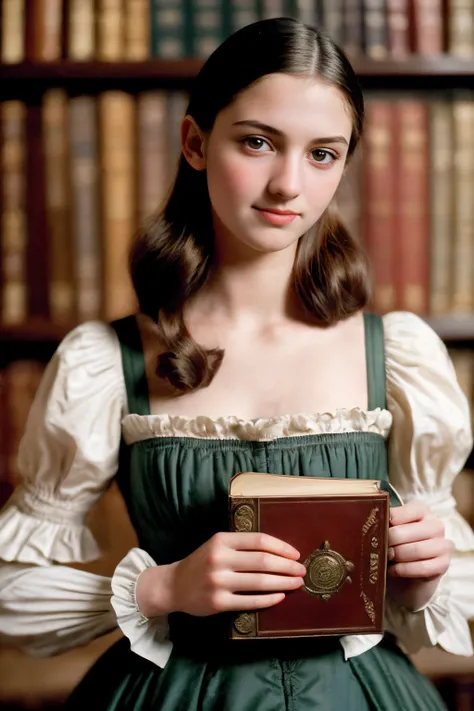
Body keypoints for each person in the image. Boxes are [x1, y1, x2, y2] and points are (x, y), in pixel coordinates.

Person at [0, 17, 473, 711]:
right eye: (258, 142)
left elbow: (430, 600)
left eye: (322, 154)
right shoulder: (104, 362)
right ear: (195, 142)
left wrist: (421, 577)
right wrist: (162, 588)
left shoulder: (399, 355)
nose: (288, 184)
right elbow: (9, 594)